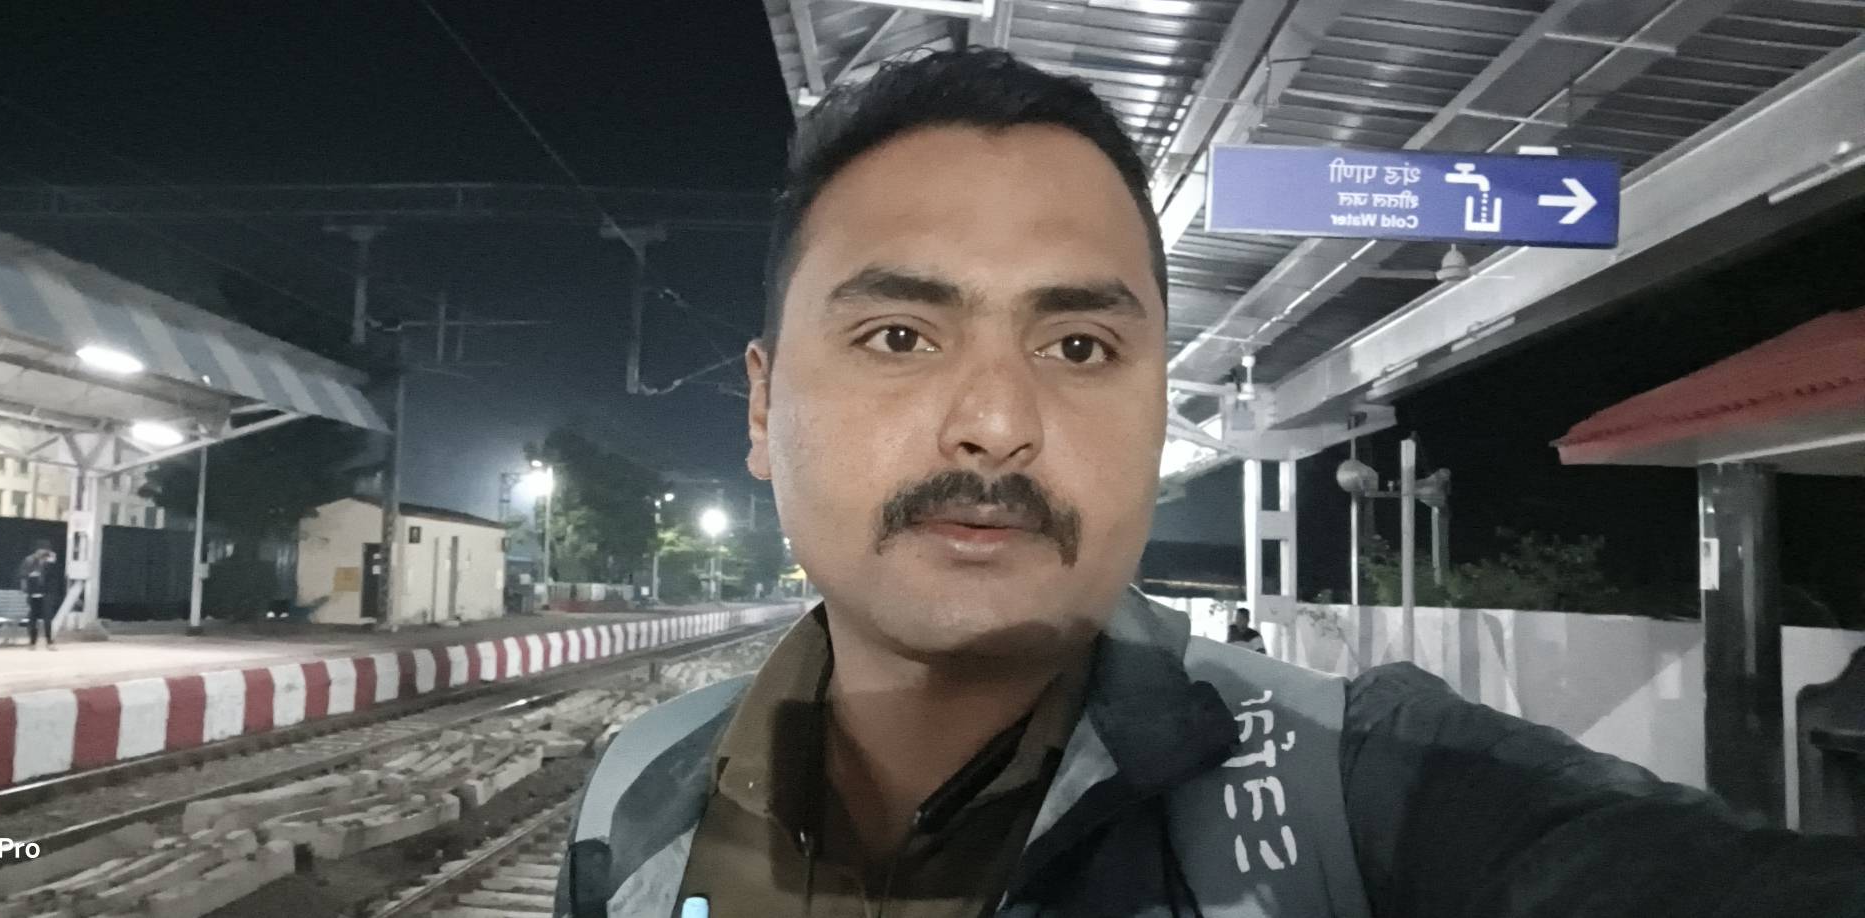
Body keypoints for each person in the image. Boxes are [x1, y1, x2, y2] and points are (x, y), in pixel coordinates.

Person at [557, 49, 1865, 918]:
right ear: (762, 405)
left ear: (1154, 408)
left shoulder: (1362, 796)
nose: (998, 423)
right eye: (900, 335)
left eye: (1080, 346)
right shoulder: (635, 795)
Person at [17, 542, 58, 650]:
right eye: (43, 550)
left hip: (47, 592)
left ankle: (49, 641)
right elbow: (22, 574)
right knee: (33, 617)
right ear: (37, 550)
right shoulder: (29, 560)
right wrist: (30, 576)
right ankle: (32, 642)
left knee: (47, 617)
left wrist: (51, 562)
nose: (45, 553)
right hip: (33, 591)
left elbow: (53, 575)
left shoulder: (49, 561)